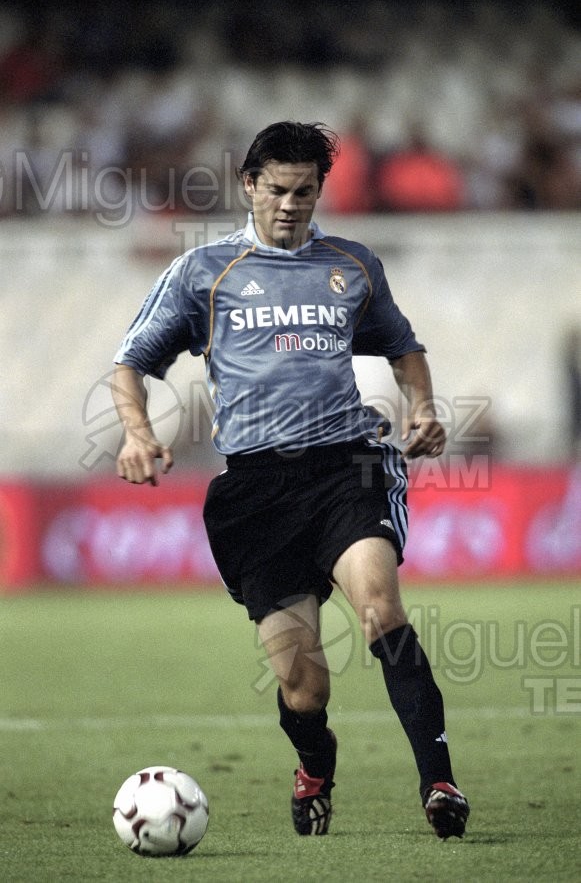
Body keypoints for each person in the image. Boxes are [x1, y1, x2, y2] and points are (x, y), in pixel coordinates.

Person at [112, 121, 470, 840]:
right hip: (254, 492)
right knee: (304, 685)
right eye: (276, 189)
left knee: (381, 612)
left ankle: (439, 784)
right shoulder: (204, 272)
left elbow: (403, 347)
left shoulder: (351, 264)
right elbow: (131, 362)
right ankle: (314, 767)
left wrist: (424, 407)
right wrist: (136, 431)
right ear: (249, 184)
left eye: (304, 191)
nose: (289, 204)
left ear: (318, 190)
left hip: (345, 468)